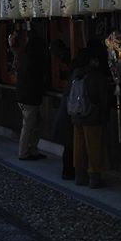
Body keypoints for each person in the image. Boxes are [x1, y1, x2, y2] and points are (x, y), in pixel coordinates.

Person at [69, 47, 110, 188]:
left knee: (79, 147)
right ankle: (94, 177)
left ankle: (80, 176)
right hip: (92, 116)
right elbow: (104, 100)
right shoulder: (97, 76)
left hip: (76, 115)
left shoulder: (76, 74)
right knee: (94, 148)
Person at [10, 27, 47, 161]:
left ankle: (31, 149)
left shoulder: (22, 55)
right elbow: (34, 79)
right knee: (29, 125)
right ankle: (24, 152)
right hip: (29, 97)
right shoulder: (32, 59)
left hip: (24, 95)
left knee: (34, 124)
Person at [50, 39, 74, 180]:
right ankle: (72, 171)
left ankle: (69, 171)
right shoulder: (77, 79)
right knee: (72, 145)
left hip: (69, 114)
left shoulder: (72, 81)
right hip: (74, 115)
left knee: (69, 146)